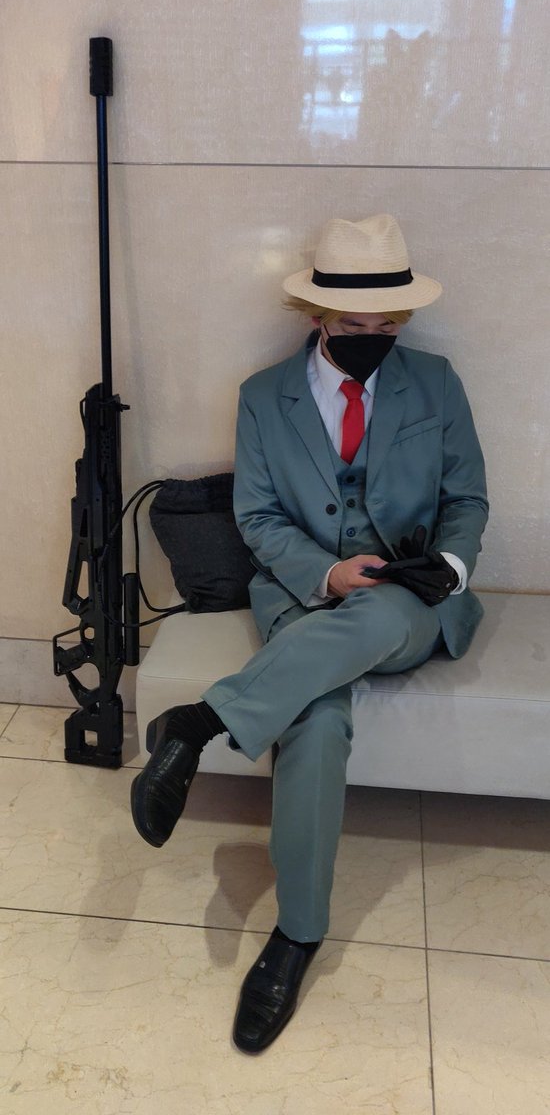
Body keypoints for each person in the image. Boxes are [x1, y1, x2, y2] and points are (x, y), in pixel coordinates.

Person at [131, 213, 489, 1054]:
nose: (372, 337)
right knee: (316, 723)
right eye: (354, 323)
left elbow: (468, 499)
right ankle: (297, 935)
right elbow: (257, 516)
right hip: (304, 597)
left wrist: (449, 567)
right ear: (317, 314)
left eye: (386, 324)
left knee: (387, 610)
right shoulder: (264, 397)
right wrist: (326, 574)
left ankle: (200, 722)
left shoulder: (437, 383)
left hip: (410, 596)